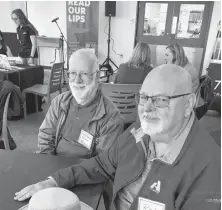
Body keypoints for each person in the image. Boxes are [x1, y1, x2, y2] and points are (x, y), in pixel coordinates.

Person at [14, 64, 221, 210]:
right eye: (143, 97)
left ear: (188, 104)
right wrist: (53, 181)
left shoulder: (210, 167)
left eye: (160, 100)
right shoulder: (140, 131)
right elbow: (102, 164)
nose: (146, 108)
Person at [37, 49, 124, 158]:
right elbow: (46, 137)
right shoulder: (59, 103)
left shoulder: (111, 117)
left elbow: (104, 163)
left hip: (86, 172)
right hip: (55, 166)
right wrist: (48, 164)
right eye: (73, 73)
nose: (77, 80)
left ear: (97, 76)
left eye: (84, 73)